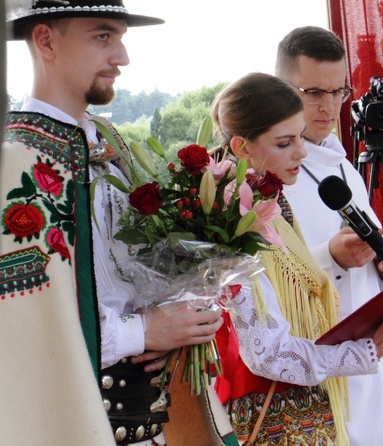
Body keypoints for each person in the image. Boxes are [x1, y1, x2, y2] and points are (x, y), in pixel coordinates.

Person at [1, 2, 223, 444]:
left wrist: (183, 310)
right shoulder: (15, 163)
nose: (122, 57)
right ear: (45, 40)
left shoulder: (113, 145)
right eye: (103, 36)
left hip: (148, 421)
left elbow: (132, 276)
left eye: (121, 38)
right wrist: (142, 331)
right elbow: (18, 332)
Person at [209, 72, 383, 445]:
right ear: (242, 147)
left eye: (300, 137)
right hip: (270, 418)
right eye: (285, 142)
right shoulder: (232, 214)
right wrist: (368, 349)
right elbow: (267, 354)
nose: (301, 152)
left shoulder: (269, 201)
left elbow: (301, 299)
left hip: (307, 407)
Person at [275, 26, 383, 445]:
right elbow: (264, 284)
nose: (329, 106)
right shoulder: (269, 175)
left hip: (367, 357)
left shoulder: (344, 166)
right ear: (283, 88)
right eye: (314, 92)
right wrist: (331, 256)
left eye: (339, 92)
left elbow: (359, 254)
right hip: (315, 368)